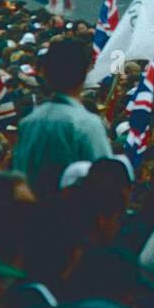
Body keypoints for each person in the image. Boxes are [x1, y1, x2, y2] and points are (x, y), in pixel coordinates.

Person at [12, 38, 112, 197]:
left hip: (31, 215)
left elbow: (19, 175)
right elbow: (105, 182)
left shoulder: (28, 123)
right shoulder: (87, 124)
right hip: (73, 216)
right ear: (85, 72)